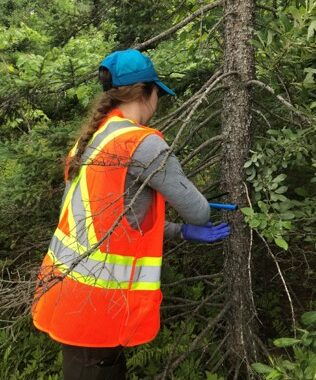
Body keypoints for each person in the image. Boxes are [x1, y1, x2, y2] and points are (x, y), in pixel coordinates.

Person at [32, 49, 230, 380]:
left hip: (68, 292)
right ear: (145, 93)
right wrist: (204, 212)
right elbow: (198, 212)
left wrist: (179, 232)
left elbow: (107, 220)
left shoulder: (93, 139)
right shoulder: (142, 143)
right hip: (96, 304)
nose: (158, 103)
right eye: (157, 94)